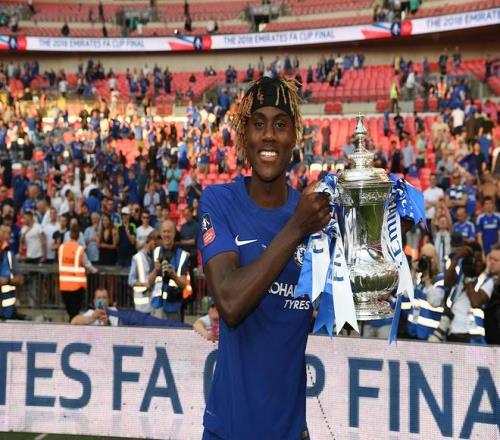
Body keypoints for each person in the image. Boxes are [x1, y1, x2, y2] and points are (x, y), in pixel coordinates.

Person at [199, 77, 329, 439]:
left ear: (294, 137)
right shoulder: (219, 202)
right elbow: (230, 302)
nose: (269, 135)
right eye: (258, 124)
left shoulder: (315, 216)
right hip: (228, 431)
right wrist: (296, 228)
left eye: (280, 125)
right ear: (244, 136)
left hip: (290, 431)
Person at [428, 241, 491, 343]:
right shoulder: (459, 273)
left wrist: (468, 279)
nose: (475, 264)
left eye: (478, 260)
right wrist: (456, 258)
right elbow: (447, 283)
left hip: (474, 336)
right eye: (471, 260)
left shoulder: (486, 280)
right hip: (452, 331)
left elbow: (476, 302)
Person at [150, 220, 189, 321]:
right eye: (164, 231)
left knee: (173, 332)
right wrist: (156, 270)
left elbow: (184, 284)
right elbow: (149, 282)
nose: (166, 234)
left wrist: (173, 275)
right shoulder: (155, 252)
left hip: (173, 305)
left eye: (169, 231)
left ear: (174, 233)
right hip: (157, 304)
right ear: (160, 233)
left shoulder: (182, 255)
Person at [59, 224, 97, 322]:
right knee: (74, 313)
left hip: (64, 285)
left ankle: (71, 326)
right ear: (79, 236)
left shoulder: (62, 248)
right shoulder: (79, 249)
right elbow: (87, 264)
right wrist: (95, 271)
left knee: (70, 312)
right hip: (77, 287)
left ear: (69, 234)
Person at [128, 231, 157, 313]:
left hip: (154, 302)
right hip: (141, 302)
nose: (156, 246)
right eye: (154, 243)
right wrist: (144, 284)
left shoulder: (155, 257)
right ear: (149, 240)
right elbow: (131, 280)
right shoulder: (138, 257)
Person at [0, 224, 24, 319]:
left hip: (7, 313)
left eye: (9, 233)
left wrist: (8, 280)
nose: (9, 236)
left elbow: (20, 280)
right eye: (6, 233)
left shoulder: (10, 256)